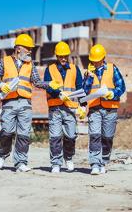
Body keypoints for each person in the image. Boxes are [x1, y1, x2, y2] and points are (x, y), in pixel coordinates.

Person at [0, 34, 60, 172]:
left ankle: (21, 162)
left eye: (30, 49)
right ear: (18, 49)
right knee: (7, 131)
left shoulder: (30, 64)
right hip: (9, 102)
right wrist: (0, 84)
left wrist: (50, 84)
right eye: (27, 48)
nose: (30, 51)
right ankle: (3, 154)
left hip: (25, 103)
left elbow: (37, 82)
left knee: (24, 134)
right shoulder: (4, 61)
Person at [44, 41, 86, 173]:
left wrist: (83, 105)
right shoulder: (49, 69)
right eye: (60, 56)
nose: (63, 58)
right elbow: (47, 86)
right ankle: (56, 163)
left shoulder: (74, 69)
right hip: (55, 108)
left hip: (70, 108)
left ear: (68, 55)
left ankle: (68, 158)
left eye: (65, 56)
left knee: (71, 136)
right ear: (56, 56)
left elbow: (80, 88)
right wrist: (58, 94)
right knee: (55, 137)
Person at [83, 44, 126, 175]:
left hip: (110, 109)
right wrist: (89, 77)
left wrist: (112, 93)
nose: (95, 63)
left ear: (103, 58)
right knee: (95, 136)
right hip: (94, 109)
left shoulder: (113, 69)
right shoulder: (89, 72)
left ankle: (104, 161)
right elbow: (84, 91)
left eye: (97, 60)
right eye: (93, 60)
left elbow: (121, 87)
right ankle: (95, 163)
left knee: (107, 137)